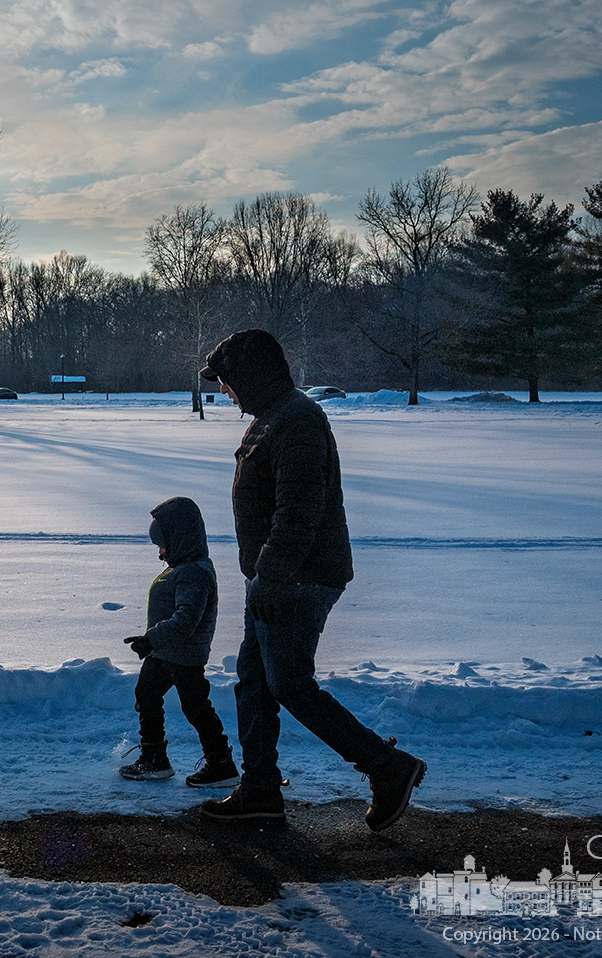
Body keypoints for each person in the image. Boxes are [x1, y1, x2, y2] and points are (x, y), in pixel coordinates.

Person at [195, 328, 425, 830]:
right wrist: (263, 576)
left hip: (298, 579)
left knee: (290, 684)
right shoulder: (272, 419)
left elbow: (298, 516)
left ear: (251, 376)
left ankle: (388, 767)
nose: (224, 391)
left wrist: (272, 578)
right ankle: (259, 789)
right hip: (275, 577)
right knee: (254, 681)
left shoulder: (295, 421)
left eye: (228, 381)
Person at [119, 496, 239, 789]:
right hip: (163, 653)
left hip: (184, 656)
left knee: (196, 708)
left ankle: (221, 764)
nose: (160, 553)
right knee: (146, 695)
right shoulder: (182, 567)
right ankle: (154, 759)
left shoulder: (195, 572)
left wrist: (150, 639)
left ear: (179, 538)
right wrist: (153, 643)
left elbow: (186, 620)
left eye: (162, 545)